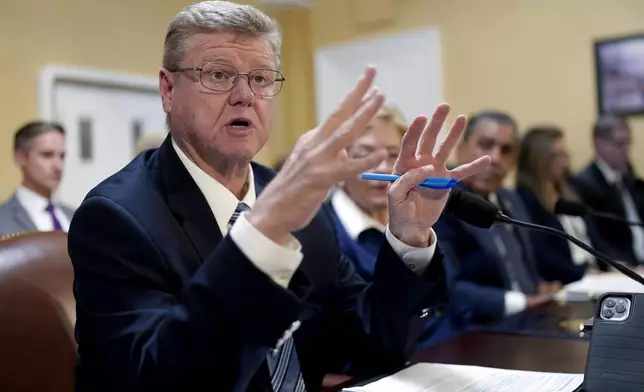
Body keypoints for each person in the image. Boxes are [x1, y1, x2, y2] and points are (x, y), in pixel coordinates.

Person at [67, 2, 490, 391]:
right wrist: (263, 232)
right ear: (168, 90)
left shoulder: (296, 199)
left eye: (261, 78)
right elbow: (159, 380)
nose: (244, 95)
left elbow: (374, 342)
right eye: (217, 74)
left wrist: (409, 238)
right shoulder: (115, 217)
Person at [326, 105, 457, 349]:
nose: (383, 168)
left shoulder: (415, 216)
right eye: (365, 155)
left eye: (392, 156)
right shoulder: (324, 230)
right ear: (340, 166)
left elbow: (442, 302)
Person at [433, 111, 560, 326]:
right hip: (476, 328)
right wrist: (520, 301)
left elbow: (522, 264)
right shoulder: (440, 200)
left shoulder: (510, 198)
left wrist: (538, 286)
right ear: (461, 148)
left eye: (507, 150)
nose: (495, 158)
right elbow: (446, 286)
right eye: (486, 145)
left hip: (527, 317)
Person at [515, 126, 597, 284]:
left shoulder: (571, 188)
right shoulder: (525, 198)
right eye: (555, 156)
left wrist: (612, 265)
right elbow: (543, 256)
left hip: (593, 275)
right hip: (568, 281)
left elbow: (592, 238)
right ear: (537, 160)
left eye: (563, 154)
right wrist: (582, 273)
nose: (564, 161)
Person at [572, 115, 644, 266]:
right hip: (625, 265)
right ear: (599, 144)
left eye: (629, 143)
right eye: (620, 144)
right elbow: (598, 239)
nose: (626, 150)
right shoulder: (586, 184)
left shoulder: (629, 177)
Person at [0, 121, 74, 237]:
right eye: (47, 155)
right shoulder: (3, 220)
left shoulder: (75, 216)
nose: (58, 166)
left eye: (62, 156)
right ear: (21, 157)